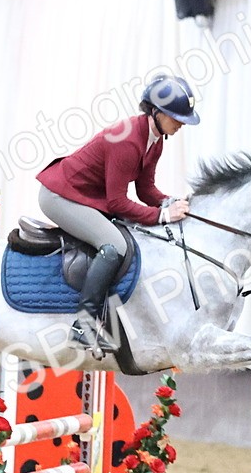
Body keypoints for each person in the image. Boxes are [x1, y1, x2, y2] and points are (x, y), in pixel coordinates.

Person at [36, 75, 199, 354]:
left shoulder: (155, 140)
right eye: (176, 117)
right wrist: (162, 216)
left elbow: (146, 190)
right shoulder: (128, 139)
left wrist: (171, 202)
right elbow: (118, 202)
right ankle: (83, 326)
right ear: (156, 112)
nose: (181, 123)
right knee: (114, 246)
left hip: (86, 198)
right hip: (59, 196)